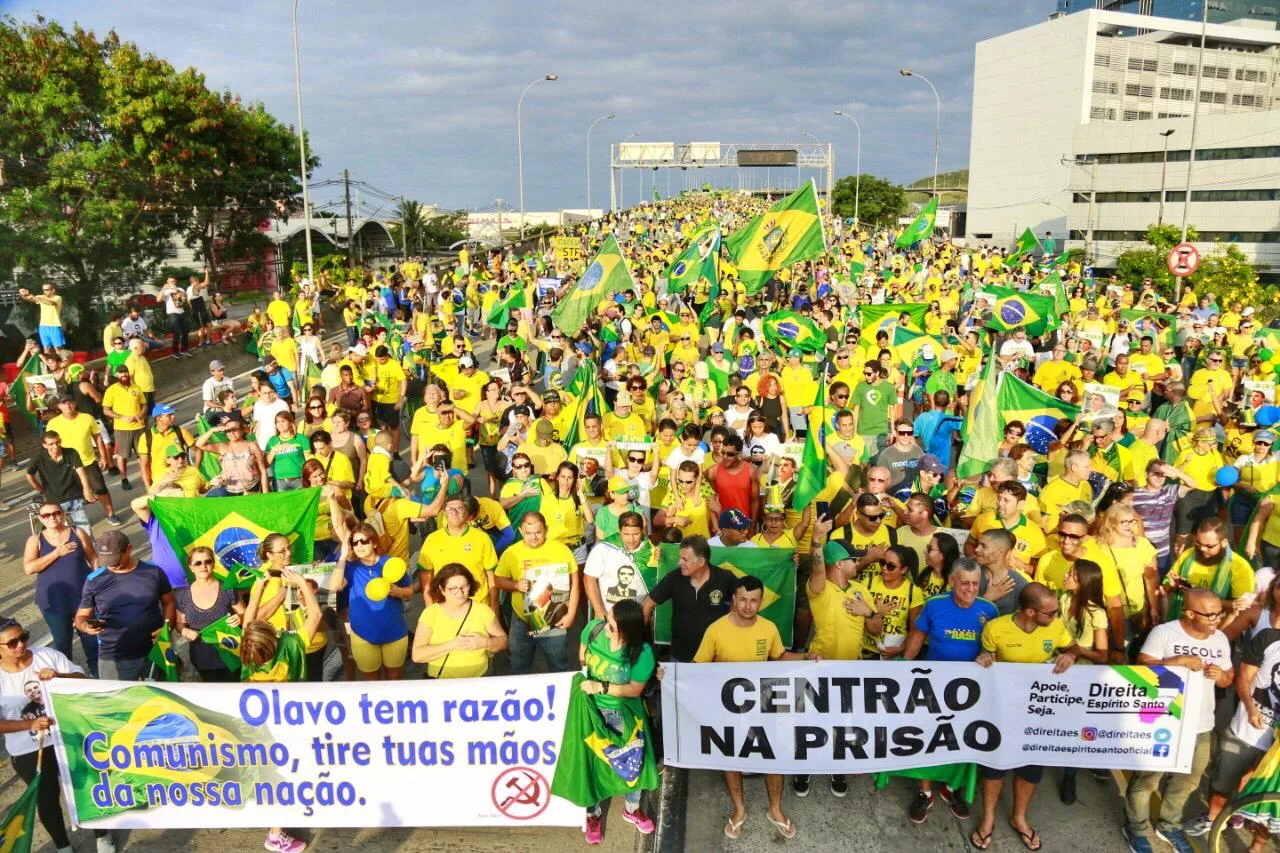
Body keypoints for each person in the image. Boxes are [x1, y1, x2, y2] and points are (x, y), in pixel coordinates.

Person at [694, 575, 818, 841]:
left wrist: (807, 656)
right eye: (743, 600)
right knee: (731, 760)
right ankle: (739, 810)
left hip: (763, 707)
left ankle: (775, 809)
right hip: (727, 710)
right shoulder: (715, 630)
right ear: (733, 600)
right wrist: (669, 678)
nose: (748, 606)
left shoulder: (769, 628)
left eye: (754, 601)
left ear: (761, 601)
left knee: (772, 758)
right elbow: (698, 669)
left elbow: (780, 657)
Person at [1123, 588, 1233, 853]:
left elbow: (1229, 677)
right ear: (1190, 612)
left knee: (1189, 781)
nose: (1216, 621)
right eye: (1210, 615)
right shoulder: (1165, 632)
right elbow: (1140, 669)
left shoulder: (1219, 639)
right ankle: (1136, 828)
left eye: (1219, 614)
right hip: (1164, 721)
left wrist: (1220, 676)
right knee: (1148, 779)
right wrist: (1176, 661)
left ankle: (1169, 825)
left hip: (1202, 724)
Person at [971, 582, 1079, 852]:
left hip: (1037, 713)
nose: (1056, 617)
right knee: (995, 767)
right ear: (1030, 612)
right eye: (1050, 613)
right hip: (1002, 710)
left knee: (1030, 768)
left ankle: (1019, 818)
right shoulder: (996, 628)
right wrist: (984, 659)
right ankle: (988, 819)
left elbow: (1073, 647)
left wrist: (1070, 656)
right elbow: (987, 661)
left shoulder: (1055, 628)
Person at [0, 617, 116, 853]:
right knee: (47, 799)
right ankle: (62, 845)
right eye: (12, 643)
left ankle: (103, 834)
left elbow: (82, 681)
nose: (21, 645)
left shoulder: (47, 656)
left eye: (24, 637)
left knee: (86, 786)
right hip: (28, 749)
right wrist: (30, 724)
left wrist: (59, 676)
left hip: (67, 736)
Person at [899, 558, 996, 823]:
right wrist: (901, 670)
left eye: (976, 584)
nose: (970, 589)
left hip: (969, 692)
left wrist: (988, 656)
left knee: (962, 738)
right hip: (933, 685)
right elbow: (917, 639)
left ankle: (951, 788)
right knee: (929, 737)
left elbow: (994, 648)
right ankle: (926, 792)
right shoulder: (935, 605)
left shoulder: (989, 610)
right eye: (964, 583)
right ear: (952, 581)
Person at [239, 565, 320, 853]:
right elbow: (316, 615)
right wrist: (301, 583)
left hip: (259, 727)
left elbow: (249, 621)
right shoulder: (292, 645)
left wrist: (259, 590)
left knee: (270, 771)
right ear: (273, 640)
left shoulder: (247, 654)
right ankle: (276, 834)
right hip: (289, 724)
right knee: (283, 776)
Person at [794, 516, 875, 798]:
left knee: (843, 722)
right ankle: (803, 768)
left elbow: (876, 629)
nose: (859, 563)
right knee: (810, 721)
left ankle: (835, 766)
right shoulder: (821, 590)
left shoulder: (861, 591)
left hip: (852, 671)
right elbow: (817, 568)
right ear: (840, 564)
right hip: (818, 668)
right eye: (854, 559)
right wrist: (817, 540)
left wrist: (870, 613)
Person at [578, 598, 659, 843]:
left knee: (631, 763)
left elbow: (634, 689)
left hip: (623, 714)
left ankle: (632, 808)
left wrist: (600, 686)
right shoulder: (593, 629)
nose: (606, 627)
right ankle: (592, 813)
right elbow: (582, 656)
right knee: (591, 765)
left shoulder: (642, 653)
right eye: (607, 620)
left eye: (612, 626)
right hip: (591, 710)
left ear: (628, 630)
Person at [74, 530, 175, 681]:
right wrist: (85, 626)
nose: (112, 565)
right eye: (107, 561)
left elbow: (169, 602)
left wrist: (167, 627)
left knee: (163, 701)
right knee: (119, 702)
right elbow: (81, 617)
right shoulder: (94, 580)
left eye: (115, 560)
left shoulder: (153, 572)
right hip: (113, 657)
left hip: (154, 651)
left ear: (129, 549)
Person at [496, 512, 580, 673]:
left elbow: (575, 584)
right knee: (519, 667)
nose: (533, 537)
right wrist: (515, 585)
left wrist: (571, 615)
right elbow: (498, 580)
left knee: (559, 666)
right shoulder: (511, 553)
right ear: (520, 531)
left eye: (538, 532)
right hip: (521, 621)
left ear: (546, 530)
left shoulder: (561, 550)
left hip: (554, 621)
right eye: (528, 533)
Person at [22, 501, 98, 676]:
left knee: (92, 641)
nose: (52, 518)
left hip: (83, 598)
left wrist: (100, 582)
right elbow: (29, 568)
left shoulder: (77, 533)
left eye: (56, 513)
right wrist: (57, 552)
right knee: (63, 644)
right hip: (54, 602)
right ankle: (68, 678)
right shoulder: (36, 540)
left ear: (63, 514)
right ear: (40, 518)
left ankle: (98, 676)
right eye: (46, 515)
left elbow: (93, 559)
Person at [329, 523, 413, 680]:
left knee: (395, 681)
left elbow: (409, 593)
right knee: (371, 683)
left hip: (394, 632)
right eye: (355, 542)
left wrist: (398, 592)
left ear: (374, 542)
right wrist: (342, 557)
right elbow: (334, 586)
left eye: (364, 541)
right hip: (362, 635)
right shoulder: (350, 567)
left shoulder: (390, 563)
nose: (359, 545)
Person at [643, 535, 736, 662]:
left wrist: (731, 620)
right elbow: (648, 603)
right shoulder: (674, 578)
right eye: (680, 558)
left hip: (716, 657)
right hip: (680, 656)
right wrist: (640, 640)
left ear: (701, 562)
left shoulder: (724, 577)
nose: (679, 562)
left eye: (685, 559)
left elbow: (741, 596)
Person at [411, 564, 506, 678]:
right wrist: (453, 644)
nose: (460, 592)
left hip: (479, 680)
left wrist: (485, 643)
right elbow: (417, 655)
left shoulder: (483, 611)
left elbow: (503, 641)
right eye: (452, 588)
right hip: (441, 684)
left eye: (464, 587)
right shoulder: (430, 613)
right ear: (442, 589)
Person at [175, 545, 245, 682]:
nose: (203, 566)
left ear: (213, 563)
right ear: (190, 567)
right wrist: (184, 631)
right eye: (198, 563)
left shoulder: (228, 589)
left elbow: (245, 615)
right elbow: (180, 622)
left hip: (231, 654)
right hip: (202, 658)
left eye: (208, 561)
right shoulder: (182, 595)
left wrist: (240, 618)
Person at [584, 511, 654, 618]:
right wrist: (599, 611)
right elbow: (589, 579)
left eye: (636, 534)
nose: (631, 539)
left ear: (642, 531)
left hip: (638, 619)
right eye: (626, 534)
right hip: (608, 616)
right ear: (619, 530)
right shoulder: (602, 549)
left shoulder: (651, 551)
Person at [24, 430, 97, 531]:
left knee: (85, 529)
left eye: (58, 442)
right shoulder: (38, 458)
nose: (55, 446)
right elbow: (29, 475)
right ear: (44, 445)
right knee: (61, 532)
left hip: (74, 497)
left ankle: (89, 546)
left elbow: (81, 472)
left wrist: (87, 490)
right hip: (54, 501)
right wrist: (40, 489)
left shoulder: (71, 452)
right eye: (51, 444)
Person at [196, 418, 268, 496]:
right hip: (229, 487)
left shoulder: (251, 446)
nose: (232, 433)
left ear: (242, 430)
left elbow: (262, 469)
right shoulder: (222, 447)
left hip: (250, 487)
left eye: (235, 429)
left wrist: (265, 494)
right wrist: (212, 430)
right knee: (211, 497)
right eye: (228, 430)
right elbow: (199, 444)